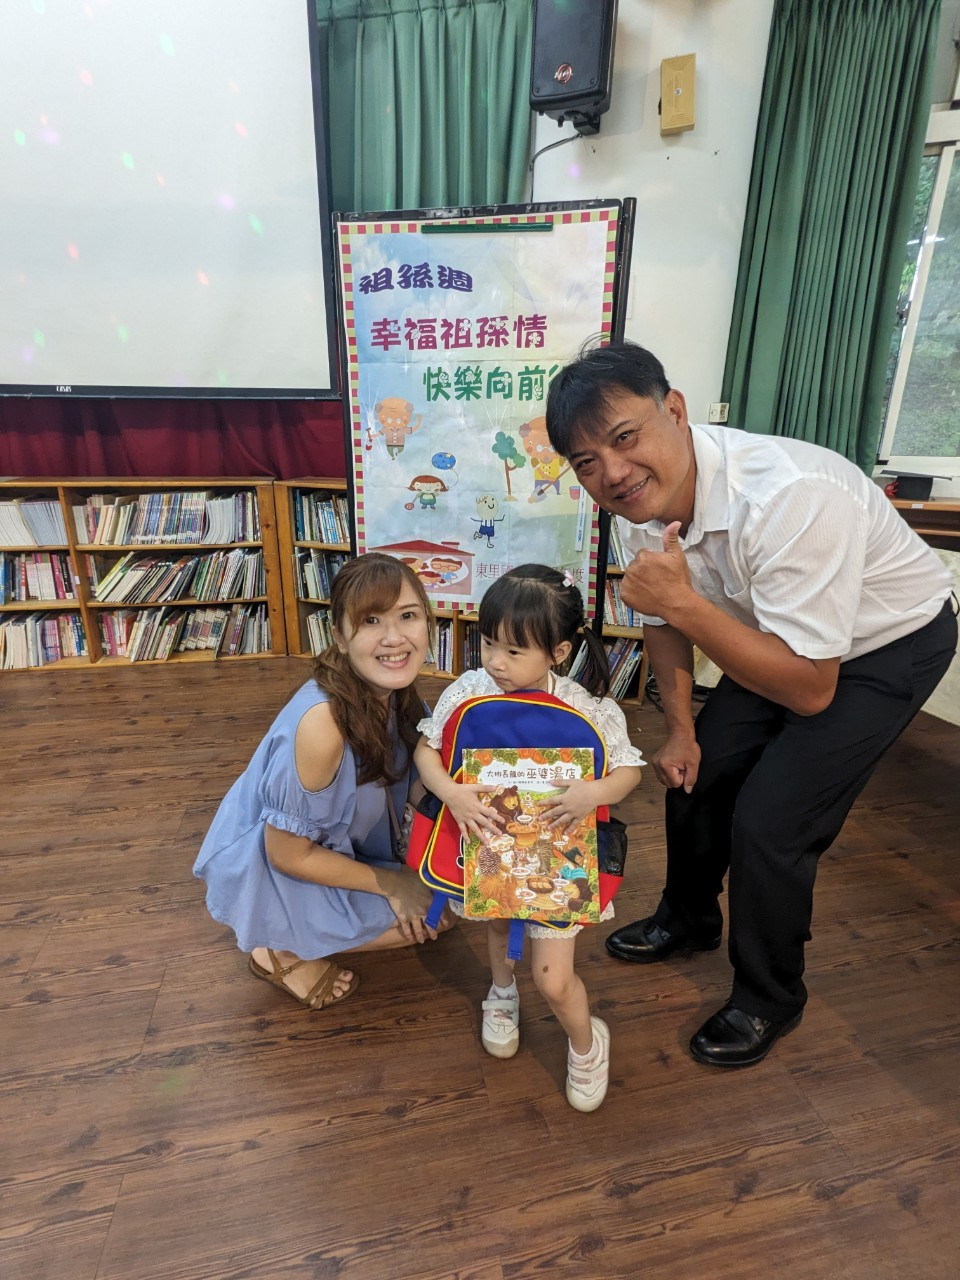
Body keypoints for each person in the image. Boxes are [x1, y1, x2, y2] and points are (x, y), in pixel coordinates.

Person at [546, 341, 957, 1068]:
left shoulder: (791, 495)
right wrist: (679, 730)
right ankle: (688, 919)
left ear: (675, 410)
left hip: (887, 642)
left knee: (772, 820)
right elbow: (663, 617)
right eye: (586, 462)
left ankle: (770, 995)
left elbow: (810, 689)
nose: (612, 472)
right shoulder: (635, 502)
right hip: (780, 635)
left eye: (625, 437)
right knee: (695, 772)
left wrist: (681, 603)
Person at [414, 565, 644, 1110]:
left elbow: (629, 771)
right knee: (496, 928)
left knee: (554, 979)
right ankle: (501, 993)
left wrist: (594, 793)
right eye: (489, 643)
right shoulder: (470, 690)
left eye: (513, 651)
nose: (495, 661)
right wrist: (450, 792)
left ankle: (587, 1044)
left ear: (558, 652)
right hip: (489, 844)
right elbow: (427, 750)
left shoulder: (585, 707)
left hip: (555, 857)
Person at [193, 553, 453, 1011]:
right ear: (339, 636)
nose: (395, 637)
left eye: (408, 616)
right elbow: (286, 854)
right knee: (439, 915)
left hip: (335, 845)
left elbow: (413, 778)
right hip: (282, 864)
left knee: (457, 893)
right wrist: (392, 883)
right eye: (371, 620)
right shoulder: (323, 724)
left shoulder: (396, 692)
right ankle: (278, 951)